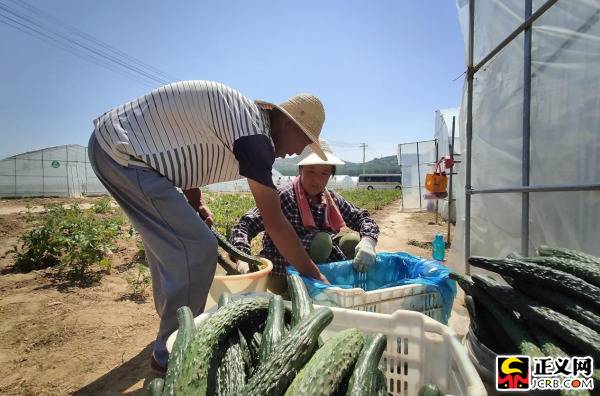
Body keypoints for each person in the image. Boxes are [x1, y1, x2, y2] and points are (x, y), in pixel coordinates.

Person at [87, 80, 330, 373]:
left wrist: (195, 200)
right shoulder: (255, 138)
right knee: (198, 248)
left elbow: (183, 149)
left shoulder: (248, 123)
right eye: (303, 142)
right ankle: (172, 356)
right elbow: (274, 222)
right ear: (290, 124)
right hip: (123, 155)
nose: (298, 152)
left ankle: (173, 331)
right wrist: (314, 274)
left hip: (122, 150)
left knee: (172, 251)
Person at [230, 140, 380, 295]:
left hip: (318, 265)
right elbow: (245, 224)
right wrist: (242, 257)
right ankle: (296, 292)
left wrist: (368, 241)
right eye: (311, 171)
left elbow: (361, 217)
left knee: (352, 242)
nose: (317, 180)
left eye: (324, 173)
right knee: (322, 241)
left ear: (331, 175)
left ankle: (335, 284)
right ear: (300, 170)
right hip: (282, 271)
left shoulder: (330, 198)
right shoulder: (284, 195)